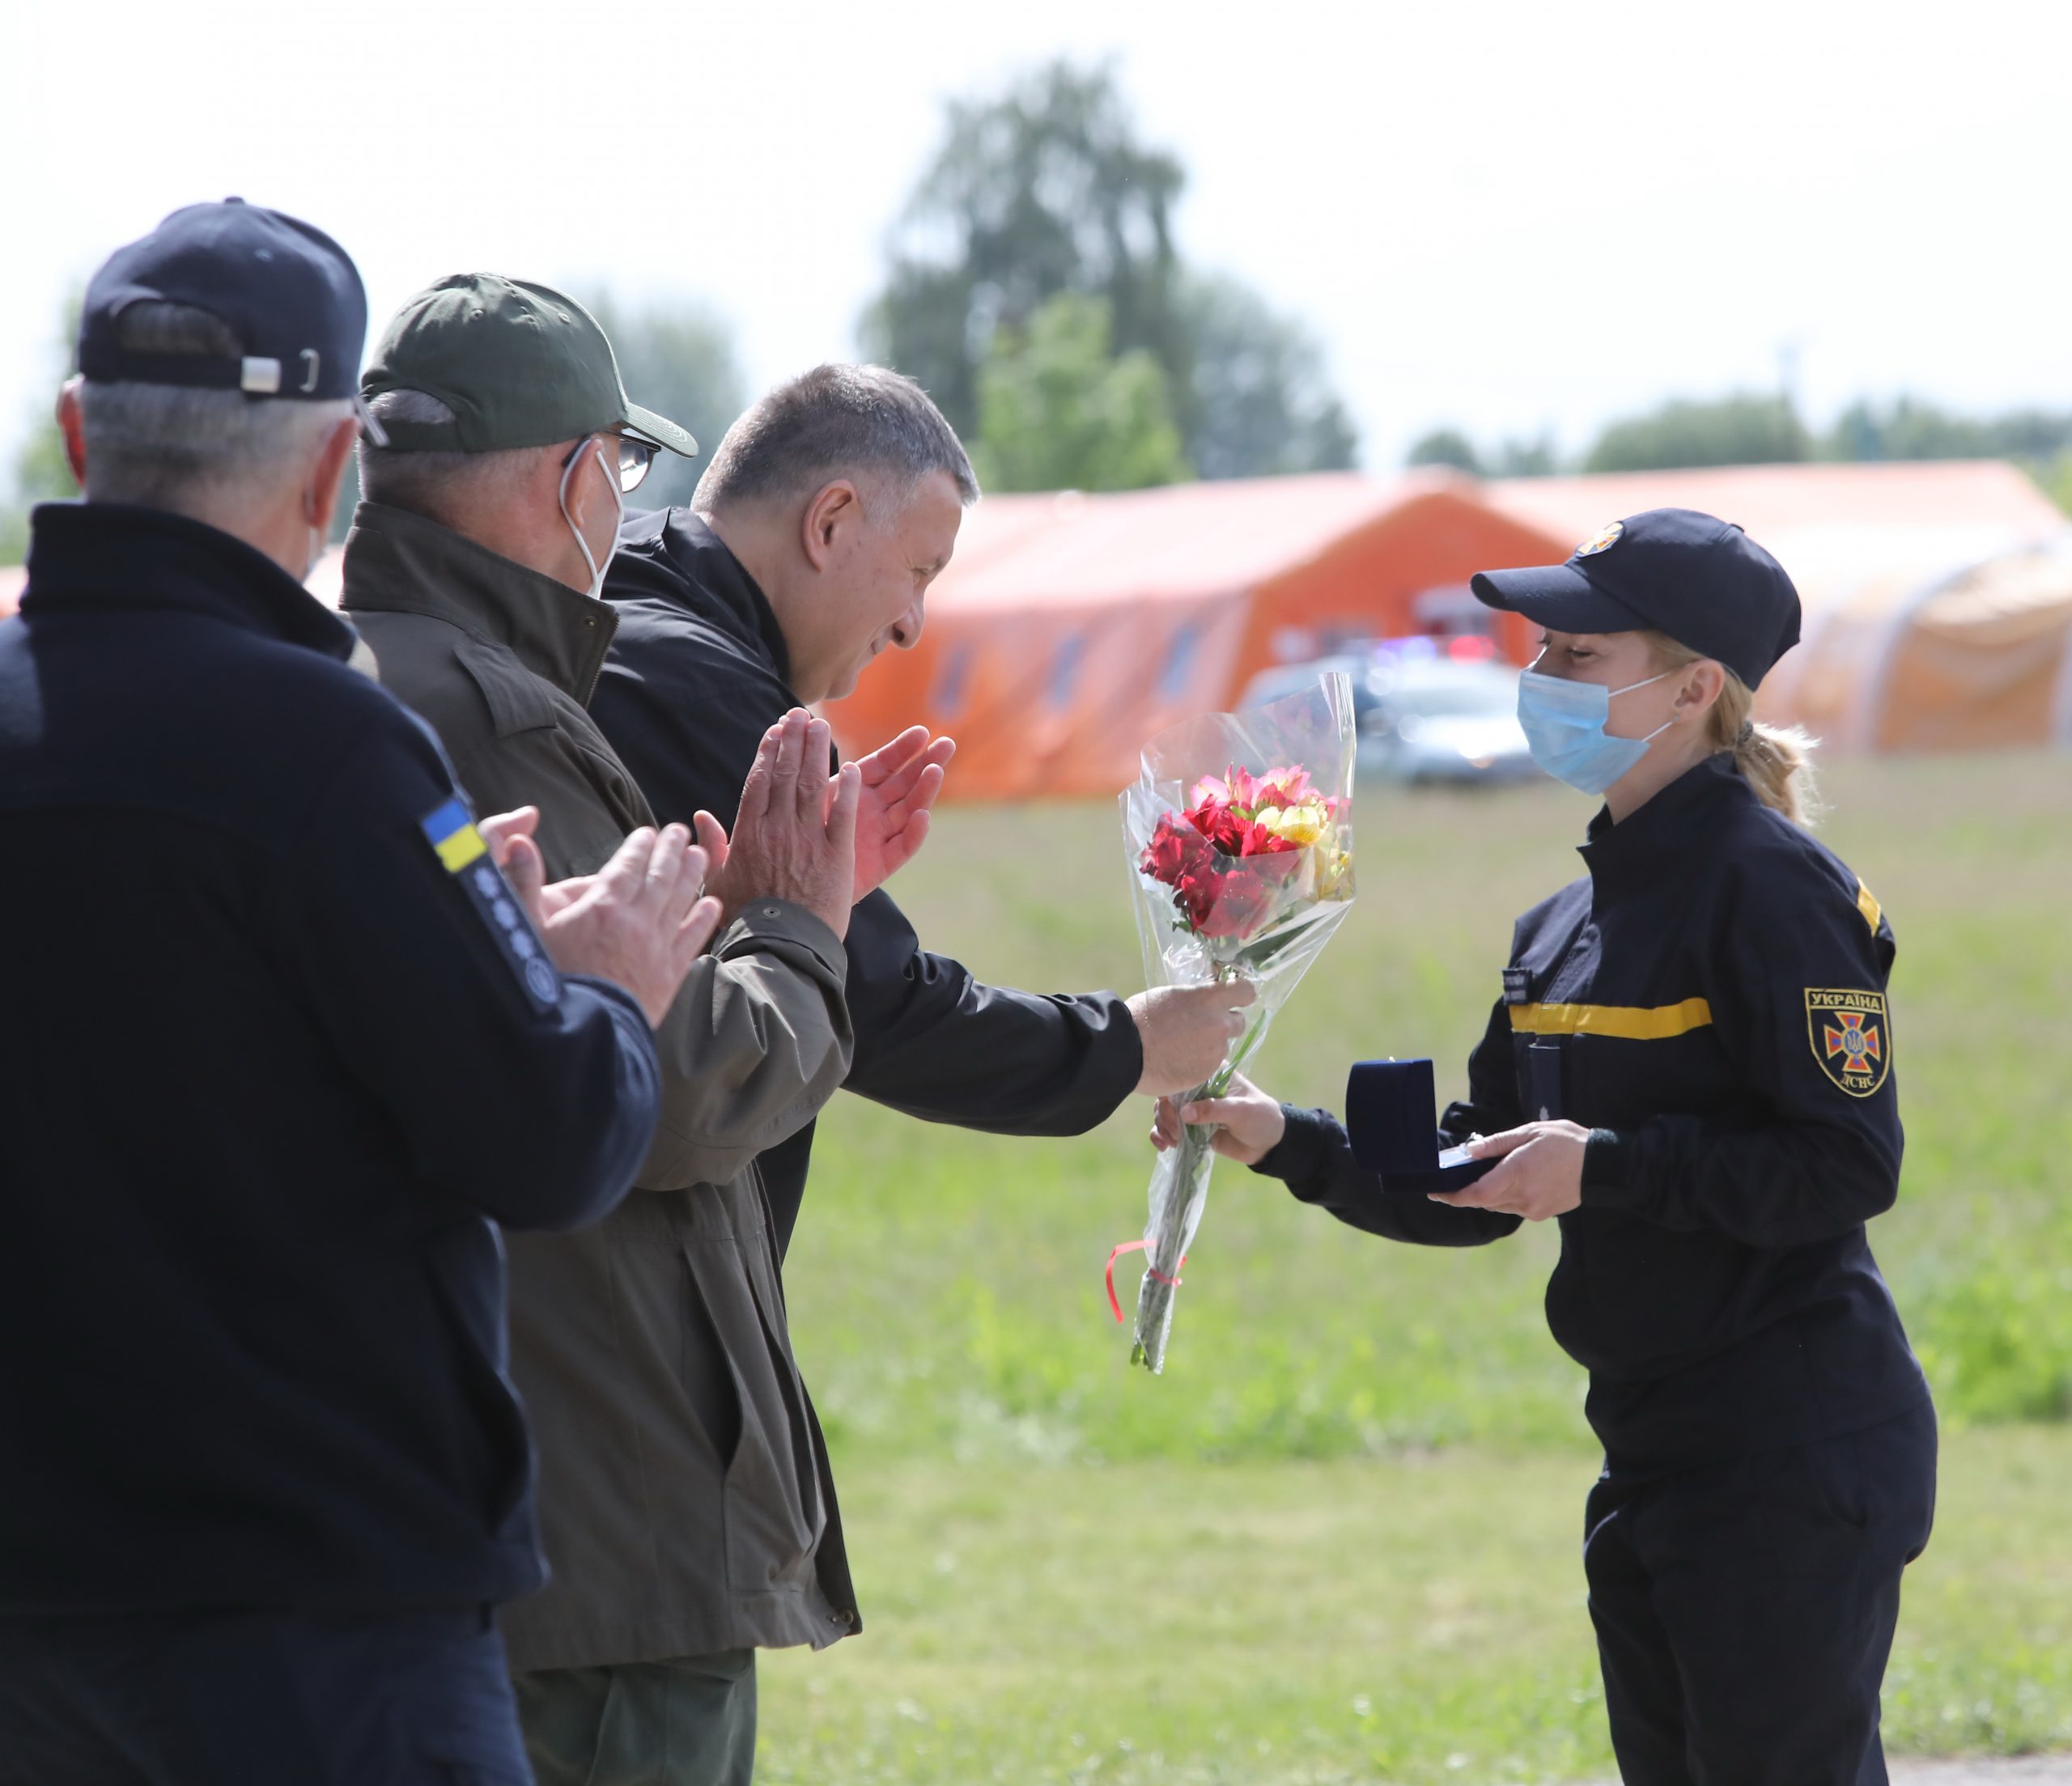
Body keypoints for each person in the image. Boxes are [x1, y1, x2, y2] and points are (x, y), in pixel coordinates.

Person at [0, 202, 716, 1784]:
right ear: (334, 470)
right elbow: (542, 1143)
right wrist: (591, 982)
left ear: (73, 434)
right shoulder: (331, 750)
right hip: (322, 1624)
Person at [554, 366, 1254, 1778]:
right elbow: (884, 1007)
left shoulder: (641, 623)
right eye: (916, 570)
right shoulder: (690, 667)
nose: (912, 623)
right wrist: (1125, 1044)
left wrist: (814, 898)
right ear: (830, 519)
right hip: (618, 1413)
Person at [1161, 510, 1935, 1786]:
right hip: (1651, 1453)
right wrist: (1280, 1138)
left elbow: (1849, 1165)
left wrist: (1613, 1164)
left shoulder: (1777, 890)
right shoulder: (1563, 925)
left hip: (1793, 1453)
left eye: (1581, 656)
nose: (1540, 681)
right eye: (1541, 651)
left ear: (1693, 689)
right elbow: (1480, 1184)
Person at [342, 278, 879, 1786]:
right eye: (620, 470)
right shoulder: (494, 711)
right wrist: (801, 932)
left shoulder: (344, 677)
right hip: (601, 1521)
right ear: (575, 473)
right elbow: (672, 1076)